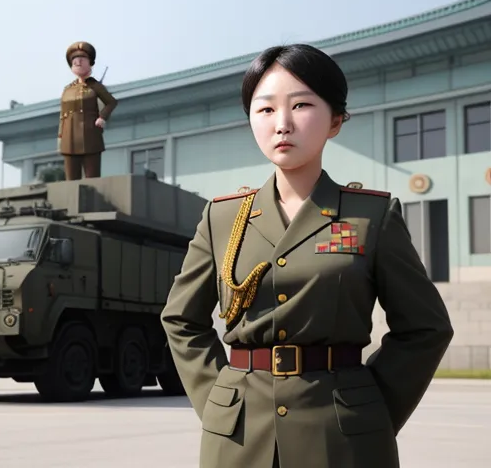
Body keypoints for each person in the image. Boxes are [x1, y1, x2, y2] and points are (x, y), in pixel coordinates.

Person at [160, 43, 454, 468]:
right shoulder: (221, 217)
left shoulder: (371, 216)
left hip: (342, 437)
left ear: (335, 120)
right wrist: (218, 402)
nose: (282, 124)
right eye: (264, 110)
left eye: (301, 105)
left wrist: (368, 408)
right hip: (239, 437)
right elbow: (180, 320)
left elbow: (426, 328)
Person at [58, 41, 118, 180]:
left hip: (89, 136)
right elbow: (63, 115)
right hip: (69, 139)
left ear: (90, 62)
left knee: (92, 180)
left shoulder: (95, 86)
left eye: (82, 58)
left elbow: (111, 102)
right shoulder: (67, 89)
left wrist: (102, 117)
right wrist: (60, 137)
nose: (78, 61)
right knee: (71, 182)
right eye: (74, 59)